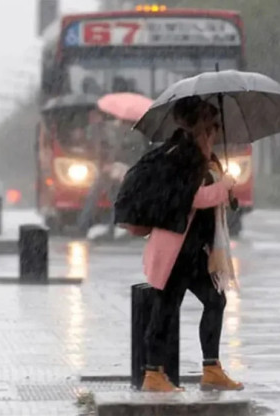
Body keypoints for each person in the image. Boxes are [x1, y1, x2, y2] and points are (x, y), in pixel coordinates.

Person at [114, 96, 243, 392]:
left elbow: (210, 196)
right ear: (200, 128)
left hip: (194, 249)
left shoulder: (203, 156)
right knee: (166, 309)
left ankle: (211, 369)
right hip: (175, 248)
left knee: (214, 301)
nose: (216, 133)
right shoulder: (182, 156)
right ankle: (152, 374)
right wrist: (222, 188)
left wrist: (226, 188)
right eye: (212, 127)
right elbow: (192, 198)